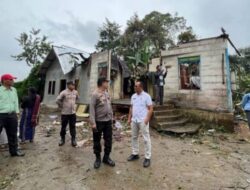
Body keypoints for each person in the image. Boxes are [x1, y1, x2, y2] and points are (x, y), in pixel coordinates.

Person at [89, 78, 115, 169]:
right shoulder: (95, 94)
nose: (108, 83)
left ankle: (106, 157)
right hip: (98, 122)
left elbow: (110, 106)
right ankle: (97, 159)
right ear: (102, 83)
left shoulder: (106, 93)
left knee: (108, 140)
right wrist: (93, 123)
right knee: (97, 141)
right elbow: (91, 109)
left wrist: (112, 118)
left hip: (108, 121)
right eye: (107, 82)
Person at [127, 81, 153, 168]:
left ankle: (147, 157)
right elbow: (131, 107)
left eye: (136, 86)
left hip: (143, 120)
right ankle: (135, 153)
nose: (134, 87)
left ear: (140, 87)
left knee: (146, 138)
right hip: (134, 120)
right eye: (134, 86)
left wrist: (147, 119)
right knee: (134, 137)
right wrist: (129, 118)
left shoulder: (147, 96)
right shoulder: (133, 96)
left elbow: (150, 109)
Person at [0, 74, 25, 157]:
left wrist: (17, 112)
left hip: (12, 115)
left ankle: (14, 152)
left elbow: (16, 101)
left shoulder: (14, 90)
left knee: (13, 134)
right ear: (4, 81)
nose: (13, 81)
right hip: (1, 115)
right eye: (11, 79)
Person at [56, 81, 79, 147]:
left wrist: (75, 105)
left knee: (72, 126)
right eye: (72, 85)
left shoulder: (75, 92)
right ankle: (62, 139)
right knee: (63, 127)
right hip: (65, 113)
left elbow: (77, 98)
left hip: (73, 113)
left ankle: (73, 140)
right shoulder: (64, 92)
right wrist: (62, 106)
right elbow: (57, 100)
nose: (74, 86)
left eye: (74, 85)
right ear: (68, 85)